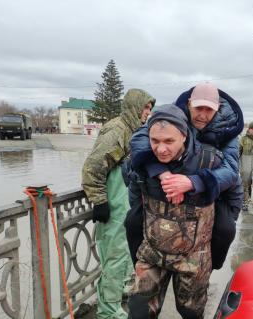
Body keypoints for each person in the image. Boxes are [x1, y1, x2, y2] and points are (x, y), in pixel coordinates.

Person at [126, 82, 244, 271]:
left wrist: (194, 182)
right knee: (133, 221)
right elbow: (140, 140)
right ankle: (138, 267)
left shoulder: (228, 129)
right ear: (189, 104)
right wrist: (161, 173)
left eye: (209, 110)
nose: (202, 115)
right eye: (198, 108)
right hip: (169, 180)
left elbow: (231, 170)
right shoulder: (173, 114)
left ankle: (210, 267)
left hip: (207, 186)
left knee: (225, 228)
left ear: (218, 108)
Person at [127, 104, 223, 318]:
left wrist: (194, 183)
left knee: (191, 312)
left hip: (193, 258)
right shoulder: (143, 159)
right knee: (138, 311)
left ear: (184, 136)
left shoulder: (210, 159)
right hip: (152, 252)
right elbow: (133, 195)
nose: (161, 149)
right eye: (155, 141)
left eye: (169, 141)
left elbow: (230, 194)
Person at [81, 89, 155, 319]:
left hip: (124, 205)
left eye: (150, 109)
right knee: (113, 258)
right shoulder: (118, 130)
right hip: (112, 207)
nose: (148, 113)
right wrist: (99, 201)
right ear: (134, 106)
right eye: (145, 108)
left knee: (123, 254)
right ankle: (108, 310)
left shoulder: (133, 131)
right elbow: (92, 168)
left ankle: (119, 291)